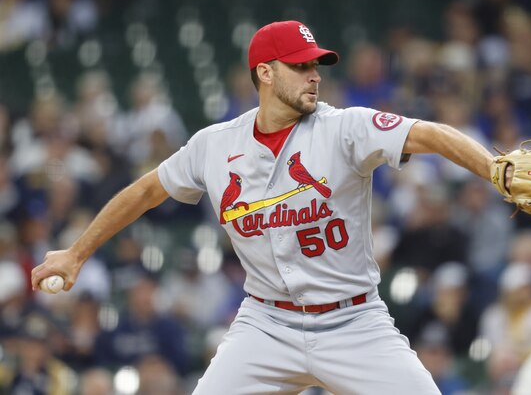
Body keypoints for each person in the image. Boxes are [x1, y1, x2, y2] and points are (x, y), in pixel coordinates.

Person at [31, 20, 503, 394]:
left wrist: (494, 169)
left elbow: (431, 135)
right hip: (266, 324)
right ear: (265, 72)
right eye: (300, 66)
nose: (314, 75)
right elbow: (145, 191)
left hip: (354, 321)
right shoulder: (215, 145)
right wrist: (76, 252)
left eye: (317, 65)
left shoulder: (345, 128)